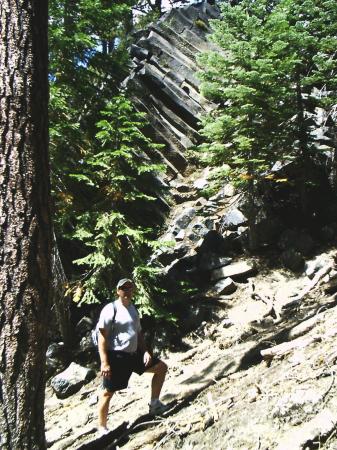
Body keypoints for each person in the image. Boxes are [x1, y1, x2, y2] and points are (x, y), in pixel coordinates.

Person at [97, 278, 168, 436]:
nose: (127, 291)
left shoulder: (133, 309)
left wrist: (146, 352)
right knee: (108, 392)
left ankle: (155, 403)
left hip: (134, 354)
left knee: (161, 368)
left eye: (129, 288)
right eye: (123, 288)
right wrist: (104, 362)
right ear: (118, 291)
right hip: (116, 357)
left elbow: (138, 333)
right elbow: (102, 337)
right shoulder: (111, 309)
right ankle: (101, 427)